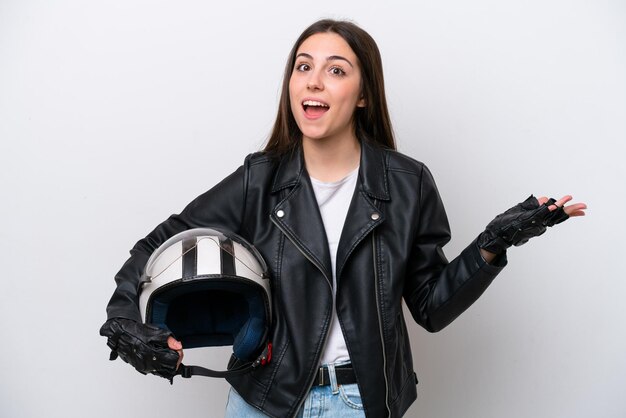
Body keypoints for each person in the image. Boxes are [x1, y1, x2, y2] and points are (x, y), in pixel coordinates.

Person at [100, 19, 586, 418]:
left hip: (361, 403)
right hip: (264, 401)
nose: (313, 80)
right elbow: (157, 246)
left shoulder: (407, 183)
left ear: (363, 95)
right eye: (303, 66)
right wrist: (124, 318)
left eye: (335, 70)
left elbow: (430, 308)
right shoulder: (259, 180)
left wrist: (493, 244)